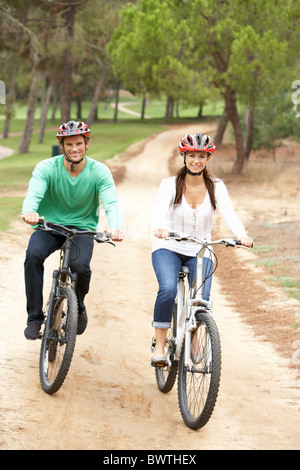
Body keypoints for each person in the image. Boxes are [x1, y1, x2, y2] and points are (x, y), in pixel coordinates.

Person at [151, 132, 253, 366]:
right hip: (169, 247)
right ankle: (159, 346)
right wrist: (159, 227)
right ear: (183, 156)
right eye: (191, 155)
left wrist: (241, 235)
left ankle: (196, 337)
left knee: (201, 299)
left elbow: (229, 212)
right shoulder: (169, 185)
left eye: (201, 156)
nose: (196, 160)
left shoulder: (216, 186)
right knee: (167, 289)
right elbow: (158, 212)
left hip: (201, 249)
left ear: (208, 158)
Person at [22, 120, 123, 340]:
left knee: (81, 268)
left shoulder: (99, 171)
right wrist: (29, 211)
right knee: (33, 256)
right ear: (62, 146)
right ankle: (35, 318)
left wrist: (115, 226)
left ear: (87, 143)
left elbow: (111, 203)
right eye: (69, 144)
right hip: (50, 226)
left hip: (82, 230)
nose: (74, 148)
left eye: (79, 143)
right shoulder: (46, 167)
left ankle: (78, 307)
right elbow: (34, 193)